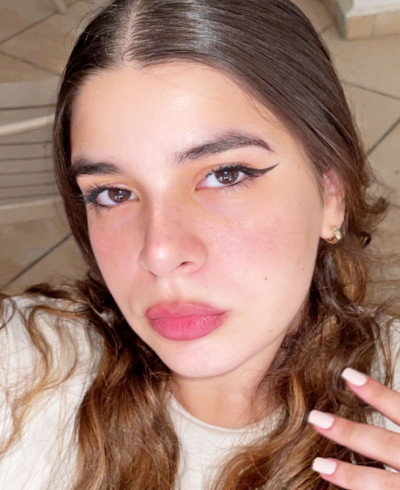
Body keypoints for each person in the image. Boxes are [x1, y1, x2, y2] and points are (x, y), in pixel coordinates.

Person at [0, 0, 399, 488]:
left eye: (225, 175)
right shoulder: (21, 370)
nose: (160, 253)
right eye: (114, 193)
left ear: (331, 194)